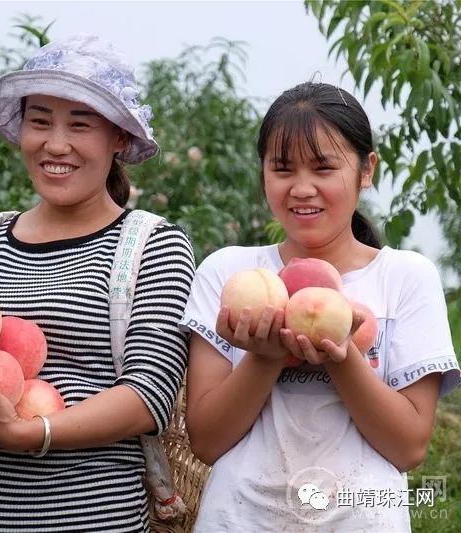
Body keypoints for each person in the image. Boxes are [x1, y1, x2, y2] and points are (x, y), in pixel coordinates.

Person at [0, 34, 195, 532]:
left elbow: (149, 395)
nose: (56, 144)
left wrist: (28, 433)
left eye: (80, 124)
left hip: (89, 518)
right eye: (39, 121)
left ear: (118, 138)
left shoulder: (150, 246)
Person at [180, 82, 459, 531]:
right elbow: (207, 440)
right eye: (283, 168)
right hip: (239, 519)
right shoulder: (231, 273)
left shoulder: (404, 277)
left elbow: (409, 448)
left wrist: (344, 357)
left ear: (366, 170)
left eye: (324, 168)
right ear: (263, 173)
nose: (302, 188)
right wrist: (265, 356)